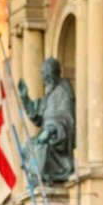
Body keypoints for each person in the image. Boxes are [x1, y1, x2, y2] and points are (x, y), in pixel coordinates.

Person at [18, 57, 76, 185]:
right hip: (49, 134)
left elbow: (65, 117)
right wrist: (25, 98)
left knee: (40, 147)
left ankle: (42, 178)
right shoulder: (49, 94)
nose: (42, 78)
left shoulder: (63, 90)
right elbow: (37, 117)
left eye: (44, 74)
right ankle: (37, 178)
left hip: (58, 137)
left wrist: (50, 130)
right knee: (27, 145)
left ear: (51, 74)